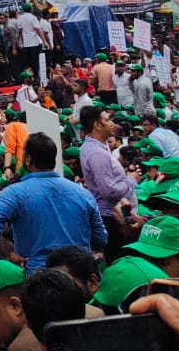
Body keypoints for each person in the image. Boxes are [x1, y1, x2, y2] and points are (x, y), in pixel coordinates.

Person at [0, 133, 106, 271]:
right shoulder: (83, 193)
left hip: (40, 276)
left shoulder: (14, 193)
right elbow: (101, 237)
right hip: (80, 272)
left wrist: (7, 253)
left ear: (28, 159)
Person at [78, 106, 138, 260]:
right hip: (112, 218)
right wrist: (131, 180)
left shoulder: (97, 146)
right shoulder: (97, 153)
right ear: (97, 125)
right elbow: (109, 192)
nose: (111, 123)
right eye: (107, 120)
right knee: (121, 260)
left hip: (115, 214)